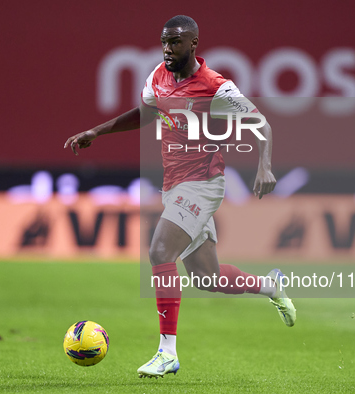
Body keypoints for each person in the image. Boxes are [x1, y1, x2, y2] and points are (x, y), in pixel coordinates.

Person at [64, 15, 296, 378]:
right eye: (164, 42)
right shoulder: (158, 75)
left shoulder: (215, 86)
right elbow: (145, 112)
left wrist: (264, 166)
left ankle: (167, 352)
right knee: (209, 278)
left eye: (175, 42)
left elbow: (261, 123)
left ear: (194, 44)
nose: (168, 49)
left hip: (203, 183)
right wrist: (97, 130)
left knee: (159, 251)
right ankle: (271, 285)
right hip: (174, 185)